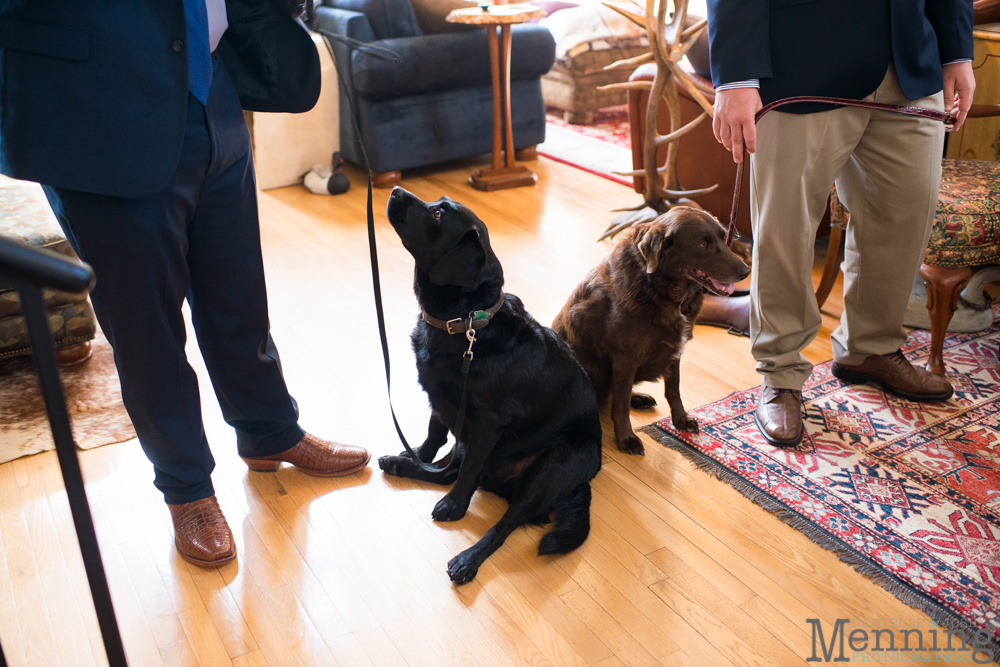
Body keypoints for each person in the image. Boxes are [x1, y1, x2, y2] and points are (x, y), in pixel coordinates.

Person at [0, 0, 371, 567]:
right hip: (98, 104)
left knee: (238, 293)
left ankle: (269, 430)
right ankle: (187, 487)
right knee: (147, 326)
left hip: (211, 89)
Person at [706, 0, 976, 447]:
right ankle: (780, 372)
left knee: (906, 214)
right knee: (786, 228)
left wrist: (957, 52)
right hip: (798, 60)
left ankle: (870, 348)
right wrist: (735, 74)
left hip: (910, 61)